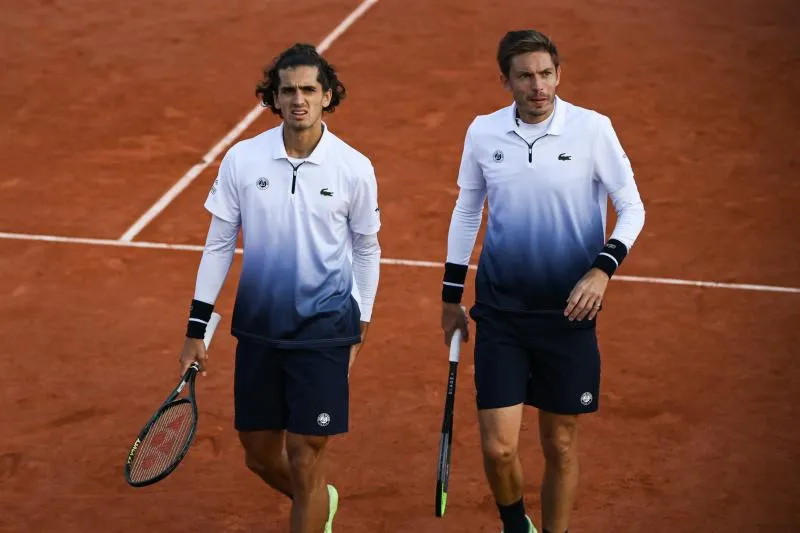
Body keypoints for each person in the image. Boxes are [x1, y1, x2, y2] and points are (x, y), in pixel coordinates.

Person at [440, 30, 645, 533]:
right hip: (502, 311)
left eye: (546, 74)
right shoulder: (483, 133)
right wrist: (450, 294)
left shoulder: (593, 130)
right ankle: (516, 525)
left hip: (568, 314)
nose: (538, 86)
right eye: (526, 76)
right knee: (499, 446)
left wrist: (602, 268)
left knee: (560, 444)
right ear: (505, 80)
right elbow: (468, 210)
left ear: (559, 74)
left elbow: (632, 208)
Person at [178, 43, 382, 533]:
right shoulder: (243, 160)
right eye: (287, 89)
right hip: (261, 330)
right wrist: (195, 330)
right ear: (273, 97)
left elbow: (366, 249)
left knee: (305, 456)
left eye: (309, 89)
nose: (299, 99)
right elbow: (218, 246)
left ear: (327, 95)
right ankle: (316, 504)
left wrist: (361, 323)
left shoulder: (354, 168)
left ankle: (310, 504)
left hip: (324, 330)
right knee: (260, 455)